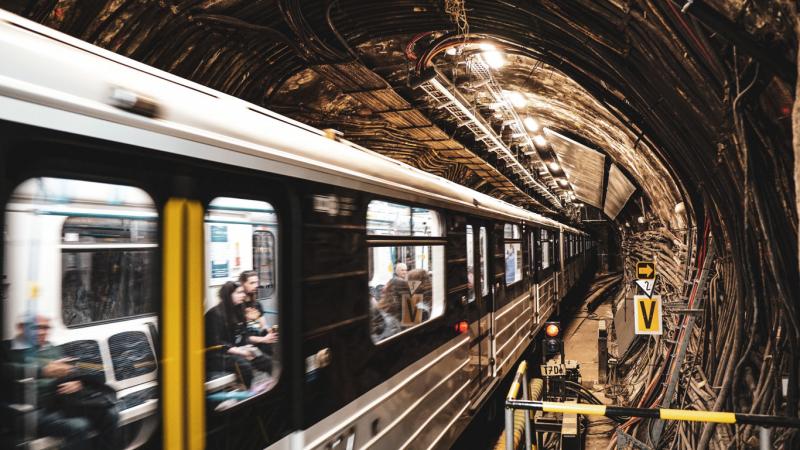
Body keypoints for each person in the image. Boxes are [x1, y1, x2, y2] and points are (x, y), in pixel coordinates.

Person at [1, 315, 119, 449]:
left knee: (110, 414)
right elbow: (6, 370)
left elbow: (71, 373)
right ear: (21, 328)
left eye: (45, 328)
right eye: (36, 328)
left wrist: (77, 383)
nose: (42, 332)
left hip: (58, 403)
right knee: (79, 426)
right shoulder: (6, 349)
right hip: (27, 410)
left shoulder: (51, 348)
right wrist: (42, 371)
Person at [205, 282, 271, 388]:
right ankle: (248, 394)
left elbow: (243, 335)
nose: (243, 295)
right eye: (239, 292)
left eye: (243, 292)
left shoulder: (238, 311)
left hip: (235, 350)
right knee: (245, 367)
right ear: (228, 295)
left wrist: (247, 347)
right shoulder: (214, 314)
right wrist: (240, 351)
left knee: (266, 361)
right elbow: (216, 343)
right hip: (217, 355)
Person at [238, 270, 278, 353]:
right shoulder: (238, 306)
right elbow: (242, 336)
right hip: (245, 343)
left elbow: (263, 326)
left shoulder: (257, 304)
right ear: (242, 284)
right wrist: (263, 339)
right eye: (252, 283)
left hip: (259, 339)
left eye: (257, 282)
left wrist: (269, 330)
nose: (256, 286)